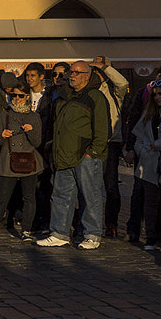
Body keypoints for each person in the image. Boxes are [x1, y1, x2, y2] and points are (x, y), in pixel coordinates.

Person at [38, 63, 111, 249]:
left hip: (85, 155)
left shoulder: (94, 96)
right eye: (71, 72)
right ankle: (59, 233)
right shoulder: (62, 97)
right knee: (62, 196)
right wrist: (53, 153)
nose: (73, 75)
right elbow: (55, 128)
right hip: (63, 155)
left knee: (90, 196)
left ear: (87, 76)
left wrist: (93, 153)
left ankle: (92, 235)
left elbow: (103, 128)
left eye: (77, 73)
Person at [0, 84, 44, 242]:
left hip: (28, 161)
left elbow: (37, 142)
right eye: (14, 95)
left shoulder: (34, 116)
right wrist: (2, 135)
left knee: (29, 197)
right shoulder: (4, 115)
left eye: (20, 96)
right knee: (1, 198)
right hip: (9, 161)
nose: (16, 99)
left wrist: (30, 131)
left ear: (27, 96)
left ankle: (26, 230)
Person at [126, 81, 161, 251]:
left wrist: (158, 145)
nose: (158, 97)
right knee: (150, 202)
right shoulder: (148, 114)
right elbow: (138, 136)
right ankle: (151, 237)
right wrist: (142, 150)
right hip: (149, 162)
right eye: (155, 94)